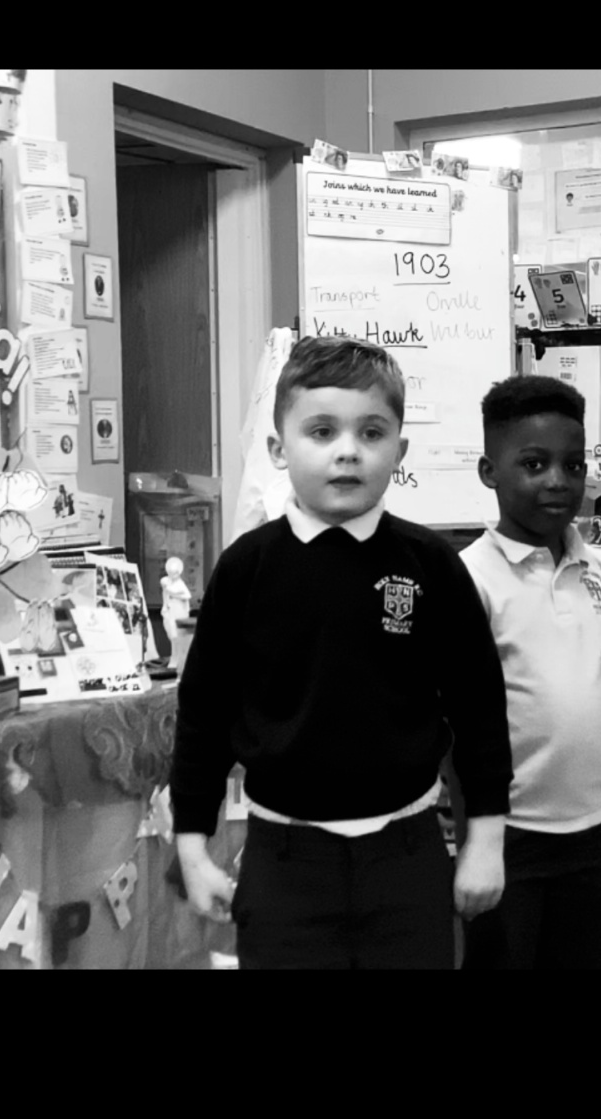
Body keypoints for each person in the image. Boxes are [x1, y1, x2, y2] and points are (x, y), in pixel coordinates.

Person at [170, 335, 512, 969]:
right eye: (322, 431)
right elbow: (203, 714)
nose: (348, 450)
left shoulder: (431, 564)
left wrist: (486, 839)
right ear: (279, 448)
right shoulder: (246, 569)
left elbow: (479, 707)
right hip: (283, 861)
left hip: (407, 855)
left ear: (399, 452)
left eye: (371, 433)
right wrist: (192, 845)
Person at [459, 375, 601, 970]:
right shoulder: (468, 580)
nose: (557, 481)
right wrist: (473, 839)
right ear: (489, 472)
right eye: (534, 464)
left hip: (595, 828)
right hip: (508, 832)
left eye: (573, 465)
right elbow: (456, 728)